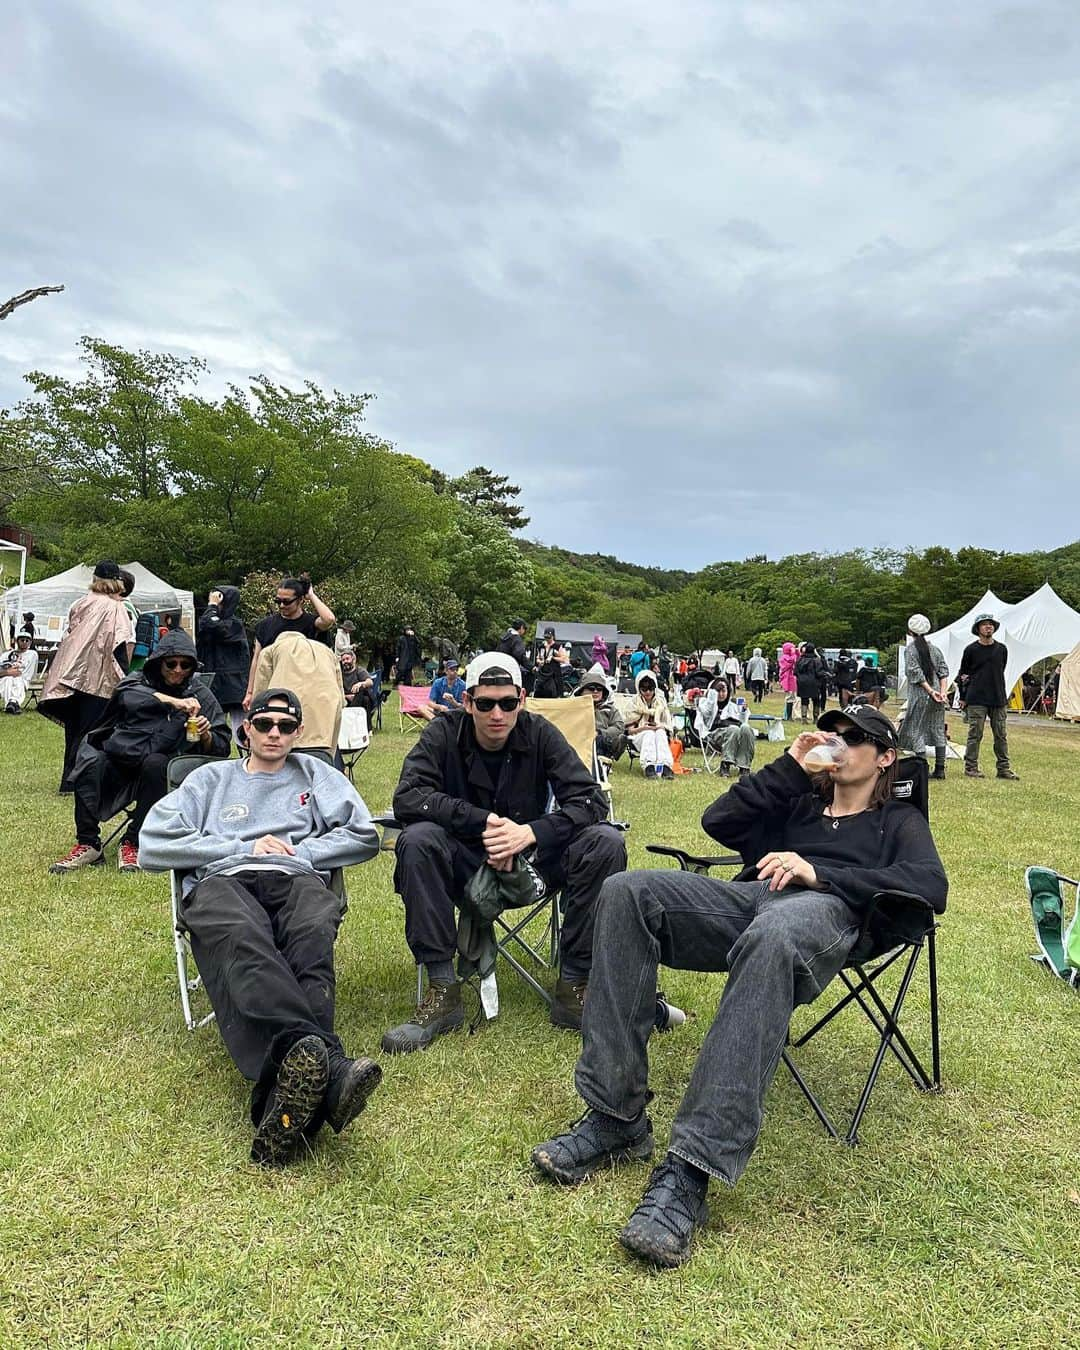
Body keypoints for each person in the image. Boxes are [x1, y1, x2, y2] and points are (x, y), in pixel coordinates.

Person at [530, 704, 947, 1268]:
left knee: (773, 935)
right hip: (754, 899)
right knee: (627, 892)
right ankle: (615, 1116)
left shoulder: (895, 820)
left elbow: (929, 883)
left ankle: (690, 1169)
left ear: (886, 757)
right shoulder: (799, 797)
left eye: (856, 738)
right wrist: (792, 767)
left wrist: (818, 872)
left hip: (827, 913)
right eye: (834, 734)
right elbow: (718, 822)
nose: (840, 743)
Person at [139, 688, 382, 1165]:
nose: (275, 734)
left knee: (312, 935)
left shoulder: (317, 776)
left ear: (297, 733)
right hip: (223, 879)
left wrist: (304, 852)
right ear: (245, 728)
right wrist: (238, 849)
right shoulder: (210, 779)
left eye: (286, 727)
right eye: (265, 724)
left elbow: (364, 834)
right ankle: (327, 1069)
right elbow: (153, 843)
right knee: (244, 939)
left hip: (295, 877)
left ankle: (290, 1093)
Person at [383, 651, 627, 1048]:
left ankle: (574, 986)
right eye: (485, 703)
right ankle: (443, 991)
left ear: (522, 700)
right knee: (417, 840)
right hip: (463, 862)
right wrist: (483, 823)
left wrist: (530, 833)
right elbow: (408, 797)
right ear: (467, 702)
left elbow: (589, 801)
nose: (497, 713)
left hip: (531, 864)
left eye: (508, 703)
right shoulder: (443, 733)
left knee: (605, 842)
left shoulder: (541, 732)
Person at [51, 631, 231, 873]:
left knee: (156, 764)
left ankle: (133, 842)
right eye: (171, 663)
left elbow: (221, 748)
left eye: (185, 665)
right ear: (158, 663)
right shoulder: (138, 681)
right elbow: (126, 693)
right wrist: (173, 702)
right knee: (89, 759)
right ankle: (88, 843)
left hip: (161, 768)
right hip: (121, 758)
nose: (178, 670)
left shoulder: (200, 694)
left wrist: (206, 734)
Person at [38, 560, 136, 792]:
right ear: (115, 581)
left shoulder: (80, 603)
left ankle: (68, 780)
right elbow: (120, 644)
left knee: (74, 730)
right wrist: (124, 678)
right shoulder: (116, 608)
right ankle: (82, 779)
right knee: (93, 731)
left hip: (70, 674)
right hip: (99, 678)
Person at [243, 577, 335, 711]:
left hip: (306, 690)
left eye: (286, 602)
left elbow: (329, 619)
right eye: (278, 601)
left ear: (300, 600)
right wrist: (250, 692)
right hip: (273, 688)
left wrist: (311, 595)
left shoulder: (312, 623)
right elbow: (256, 660)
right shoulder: (264, 625)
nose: (281, 605)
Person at [251, 631, 344, 758]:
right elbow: (341, 696)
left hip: (284, 728)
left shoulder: (271, 650)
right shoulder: (328, 652)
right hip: (324, 730)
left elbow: (261, 696)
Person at [958, 614, 1017, 781]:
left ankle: (1003, 768)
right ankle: (971, 767)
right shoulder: (970, 650)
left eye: (990, 624)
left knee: (1001, 734)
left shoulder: (1002, 649)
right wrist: (963, 696)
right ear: (978, 629)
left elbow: (1001, 669)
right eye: (984, 625)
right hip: (976, 698)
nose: (988, 627)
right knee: (975, 734)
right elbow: (963, 674)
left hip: (998, 698)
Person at [899, 615, 949, 780]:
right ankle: (940, 769)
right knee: (938, 729)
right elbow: (943, 671)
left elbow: (916, 674)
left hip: (920, 696)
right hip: (937, 696)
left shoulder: (911, 650)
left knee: (916, 730)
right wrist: (941, 692)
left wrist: (929, 691)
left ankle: (923, 769)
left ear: (910, 631)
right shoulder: (935, 650)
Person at [197, 585, 250, 737]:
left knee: (241, 731)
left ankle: (246, 755)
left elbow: (212, 624)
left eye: (218, 599)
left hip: (233, 685)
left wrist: (212, 606)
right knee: (213, 727)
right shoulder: (209, 622)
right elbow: (207, 623)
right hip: (214, 682)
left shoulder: (234, 624)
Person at [699, 677, 757, 779]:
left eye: (723, 691)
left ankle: (744, 767)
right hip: (715, 734)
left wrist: (743, 710)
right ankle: (725, 764)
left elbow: (743, 721)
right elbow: (707, 713)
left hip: (736, 732)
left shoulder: (733, 703)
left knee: (746, 728)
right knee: (733, 729)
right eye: (718, 691)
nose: (721, 694)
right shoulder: (705, 703)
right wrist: (712, 694)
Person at [624, 670, 674, 779]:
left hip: (658, 737)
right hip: (638, 738)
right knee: (649, 733)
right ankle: (648, 766)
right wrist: (643, 728)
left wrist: (660, 726)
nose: (648, 692)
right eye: (644, 689)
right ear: (639, 689)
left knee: (660, 732)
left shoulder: (661, 702)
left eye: (651, 688)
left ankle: (665, 767)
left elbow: (667, 726)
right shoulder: (633, 703)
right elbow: (629, 731)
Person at [575, 664, 627, 761]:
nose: (595, 691)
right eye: (591, 688)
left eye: (599, 689)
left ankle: (605, 756)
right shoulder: (574, 707)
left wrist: (600, 733)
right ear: (582, 691)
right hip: (580, 741)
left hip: (603, 740)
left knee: (608, 738)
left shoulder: (609, 709)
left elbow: (619, 726)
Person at [1, 633, 38, 713]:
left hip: (23, 679)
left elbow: (26, 674)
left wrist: (15, 673)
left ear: (30, 642)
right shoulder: (6, 654)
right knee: (8, 679)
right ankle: (13, 703)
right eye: (22, 640)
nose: (24, 642)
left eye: (27, 640)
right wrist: (8, 672)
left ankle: (11, 703)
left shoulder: (32, 654)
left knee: (18, 680)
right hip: (5, 678)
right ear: (17, 641)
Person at [795, 643, 829, 722]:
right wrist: (825, 675)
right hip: (814, 682)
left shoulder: (800, 659)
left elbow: (795, 672)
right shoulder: (816, 660)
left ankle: (804, 718)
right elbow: (819, 672)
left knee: (804, 699)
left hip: (802, 682)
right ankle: (815, 718)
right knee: (816, 700)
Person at [340, 650, 376, 721]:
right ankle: (368, 729)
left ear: (353, 659)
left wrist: (360, 684)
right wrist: (347, 696)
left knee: (362, 690)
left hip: (359, 697)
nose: (345, 662)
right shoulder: (340, 674)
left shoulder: (359, 670)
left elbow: (370, 682)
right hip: (346, 700)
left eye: (347, 659)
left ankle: (351, 718)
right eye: (343, 660)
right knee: (366, 700)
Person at [534, 628, 565, 699]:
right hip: (543, 673)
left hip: (554, 673)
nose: (547, 639)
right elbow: (537, 658)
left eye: (549, 637)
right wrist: (539, 661)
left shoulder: (558, 646)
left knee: (553, 692)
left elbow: (563, 659)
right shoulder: (541, 646)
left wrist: (553, 657)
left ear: (553, 636)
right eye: (545, 637)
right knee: (540, 691)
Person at [779, 641, 798, 720]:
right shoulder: (784, 658)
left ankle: (788, 715)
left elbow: (797, 660)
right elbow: (789, 663)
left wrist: (797, 652)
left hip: (792, 679)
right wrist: (793, 654)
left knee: (792, 697)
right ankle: (788, 716)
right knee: (789, 697)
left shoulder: (792, 656)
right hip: (787, 680)